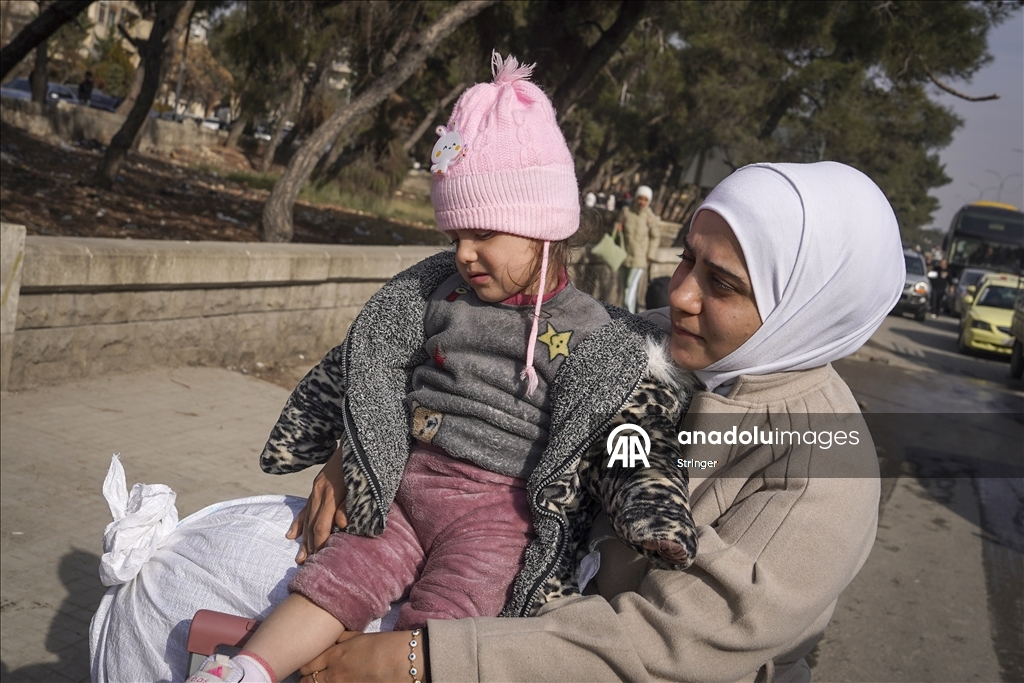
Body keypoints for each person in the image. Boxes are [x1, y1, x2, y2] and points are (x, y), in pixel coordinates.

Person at [186, 52, 697, 683]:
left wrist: (653, 516)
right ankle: (246, 670)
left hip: (500, 516)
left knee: (453, 618)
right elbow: (369, 363)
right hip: (410, 485)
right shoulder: (436, 295)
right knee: (335, 578)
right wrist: (350, 445)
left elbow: (628, 438)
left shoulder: (597, 335)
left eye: (483, 233)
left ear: (543, 228)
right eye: (454, 233)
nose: (463, 253)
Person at [290, 161, 904, 683]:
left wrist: (431, 660)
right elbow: (479, 383)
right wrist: (366, 447)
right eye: (687, 258)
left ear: (807, 309)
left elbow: (669, 645)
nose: (682, 294)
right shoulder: (638, 344)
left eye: (722, 284)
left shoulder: (825, 471)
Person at [616, 184, 661, 313]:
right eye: (640, 198)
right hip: (625, 255)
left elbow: (655, 237)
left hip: (640, 259)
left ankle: (627, 316)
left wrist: (650, 255)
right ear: (636, 198)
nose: (642, 202)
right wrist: (617, 227)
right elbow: (617, 229)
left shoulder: (649, 217)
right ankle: (634, 314)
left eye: (645, 200)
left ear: (649, 201)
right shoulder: (626, 211)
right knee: (626, 286)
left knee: (630, 286)